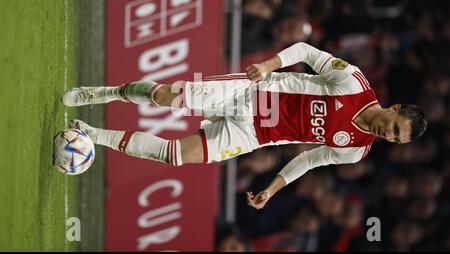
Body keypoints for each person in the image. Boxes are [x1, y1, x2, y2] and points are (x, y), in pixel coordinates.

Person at [62, 42, 427, 210]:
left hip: (256, 134)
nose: (388, 136)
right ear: (394, 109)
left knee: (176, 156)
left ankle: (91, 135)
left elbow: (310, 160)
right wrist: (269, 66)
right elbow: (305, 51)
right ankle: (105, 93)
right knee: (165, 98)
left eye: (395, 140)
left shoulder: (355, 151)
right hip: (253, 93)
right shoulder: (353, 83)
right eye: (395, 127)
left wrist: (272, 189)